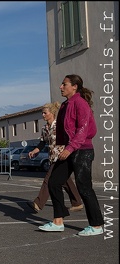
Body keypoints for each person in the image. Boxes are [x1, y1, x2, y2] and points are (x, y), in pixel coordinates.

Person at [39, 74, 104, 236]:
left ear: (74, 86)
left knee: (84, 187)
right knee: (54, 182)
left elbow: (83, 129)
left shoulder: (80, 103)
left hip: (82, 151)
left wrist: (70, 148)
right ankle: (58, 221)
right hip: (69, 149)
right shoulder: (65, 105)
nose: (61, 87)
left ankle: (96, 226)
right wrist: (63, 147)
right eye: (61, 84)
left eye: (64, 84)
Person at [26, 102, 83, 213]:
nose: (42, 115)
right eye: (42, 113)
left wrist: (69, 151)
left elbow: (70, 139)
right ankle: (77, 202)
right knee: (65, 180)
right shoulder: (44, 128)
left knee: (49, 179)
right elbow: (42, 143)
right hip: (53, 157)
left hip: (63, 157)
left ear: (52, 113)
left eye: (44, 113)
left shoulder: (60, 125)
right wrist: (34, 151)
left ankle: (38, 203)